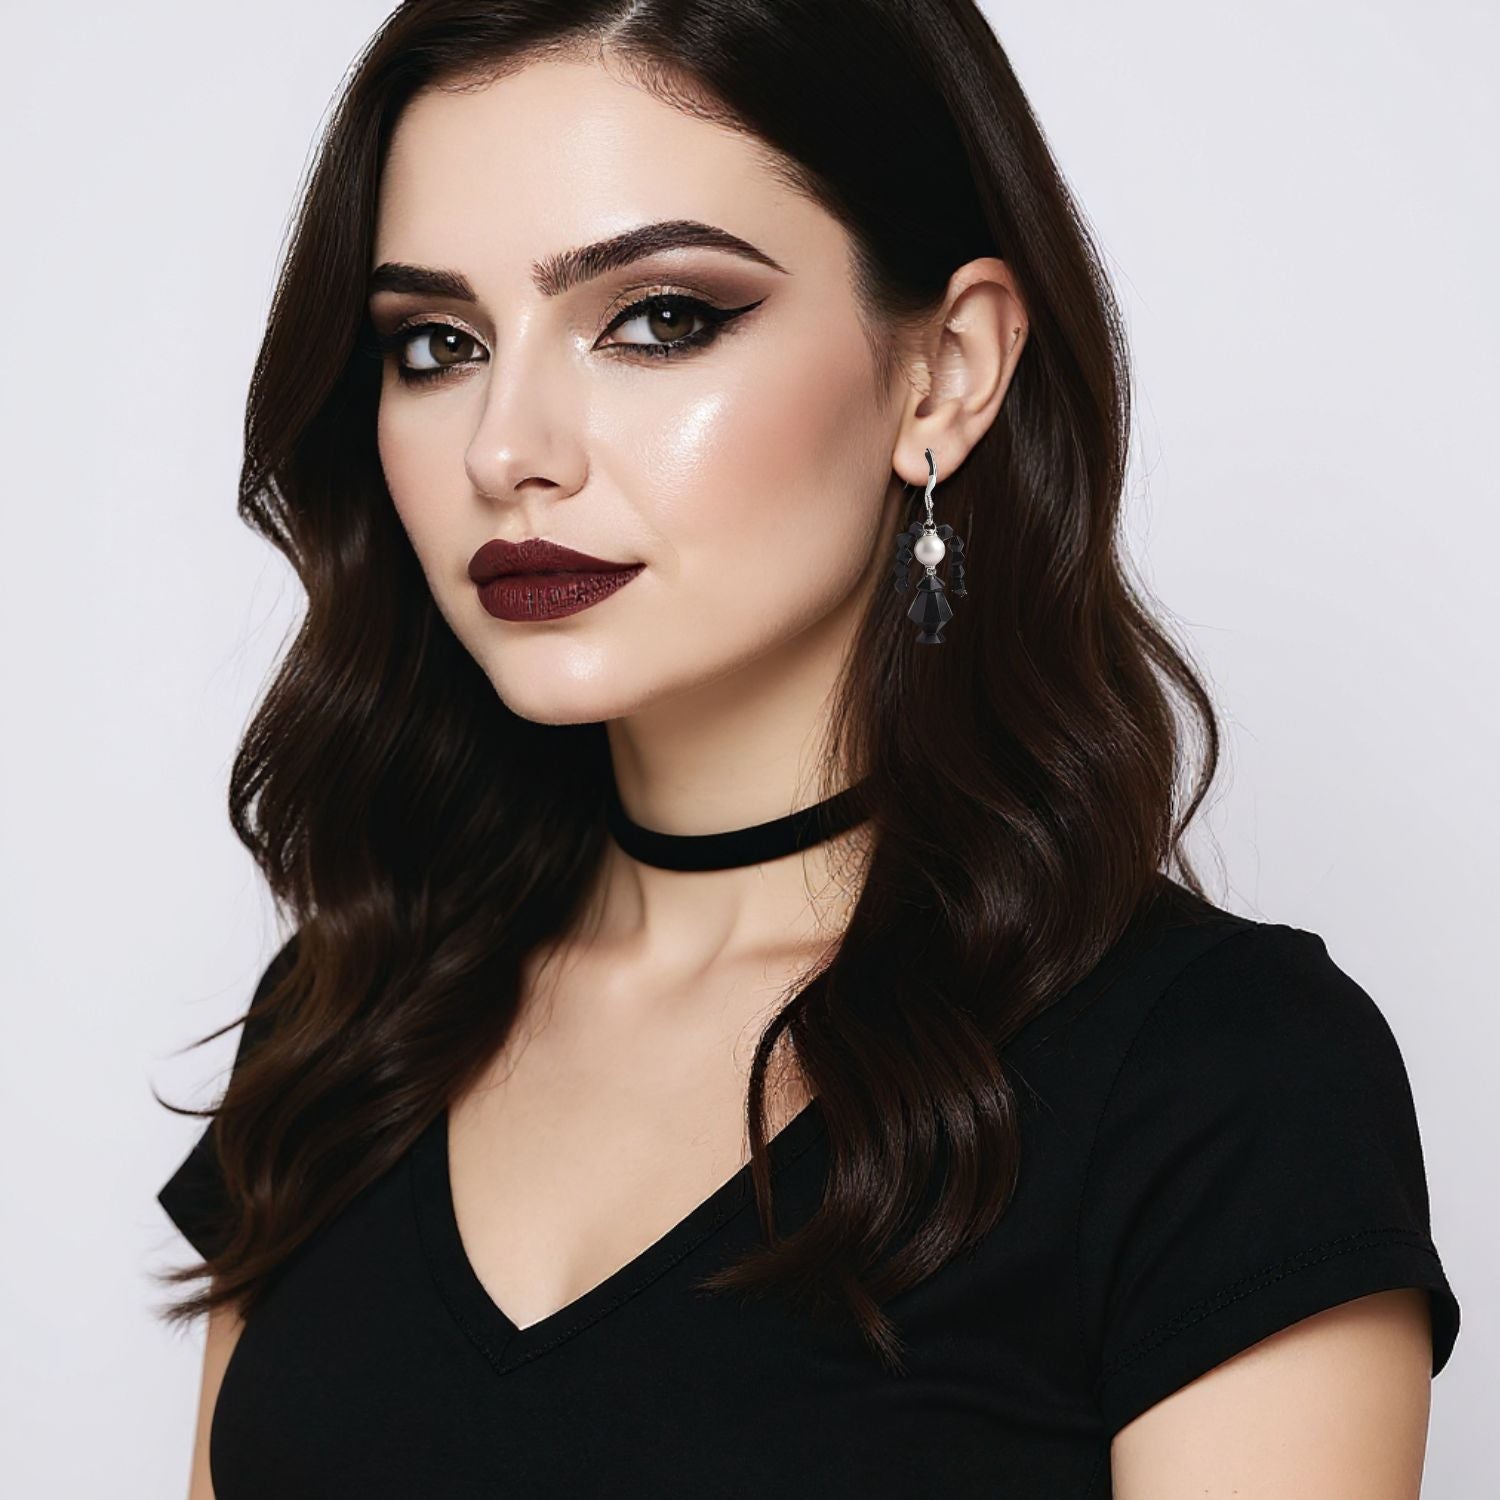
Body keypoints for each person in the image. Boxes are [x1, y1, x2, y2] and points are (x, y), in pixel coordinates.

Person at [152, 3, 1460, 1496]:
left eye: (659, 317)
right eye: (436, 343)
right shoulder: (347, 1023)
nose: (505, 448)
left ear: (945, 373)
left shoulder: (1216, 1078)